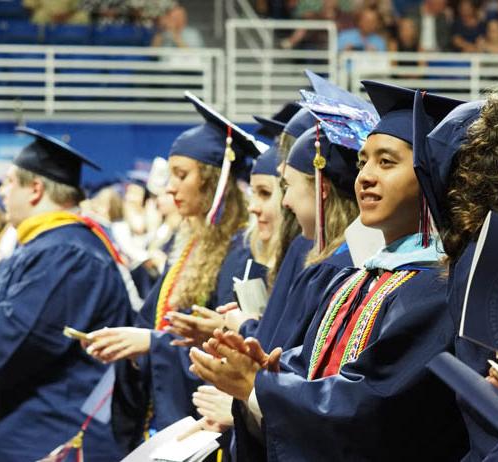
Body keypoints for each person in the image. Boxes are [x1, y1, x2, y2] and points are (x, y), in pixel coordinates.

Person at [189, 84, 470, 461]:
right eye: (363, 162)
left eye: (386, 162)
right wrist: (262, 372)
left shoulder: (438, 287)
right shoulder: (354, 278)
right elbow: (312, 367)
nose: (366, 176)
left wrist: (260, 390)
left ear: (430, 174)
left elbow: (374, 406)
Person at [0, 127, 131, 461]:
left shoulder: (68, 254)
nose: (2, 193)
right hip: (33, 425)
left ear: (36, 189)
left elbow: (25, 338)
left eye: (9, 182)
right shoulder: (50, 245)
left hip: (54, 432)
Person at [84, 93, 265, 451]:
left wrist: (151, 344)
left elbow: (232, 349)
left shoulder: (243, 253)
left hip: (212, 430)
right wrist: (131, 345)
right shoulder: (187, 246)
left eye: (181, 175)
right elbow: (151, 321)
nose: (169, 187)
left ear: (212, 182)